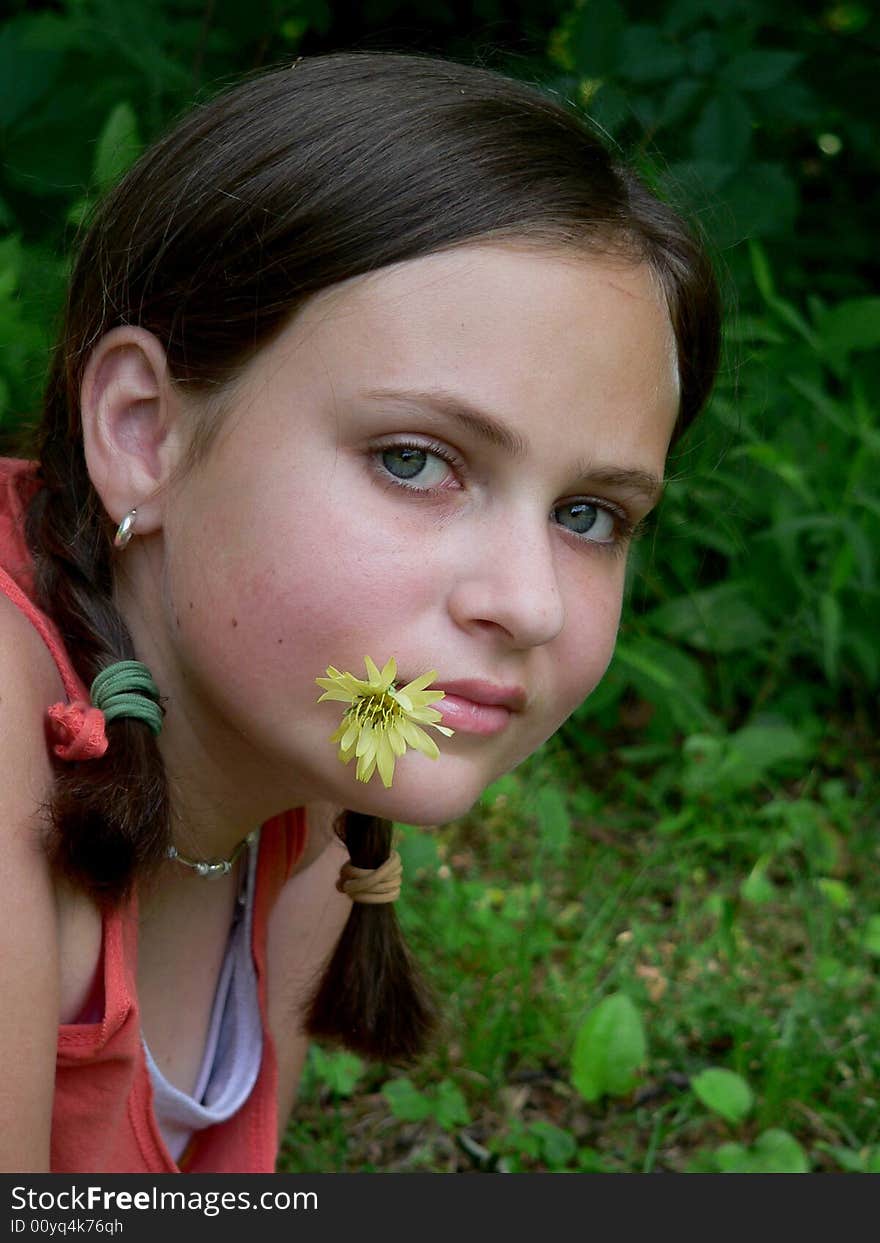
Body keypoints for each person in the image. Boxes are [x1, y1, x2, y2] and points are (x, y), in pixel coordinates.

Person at [0, 50, 720, 1173]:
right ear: (144, 431)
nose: (526, 602)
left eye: (587, 514)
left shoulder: (312, 778)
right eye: (414, 459)